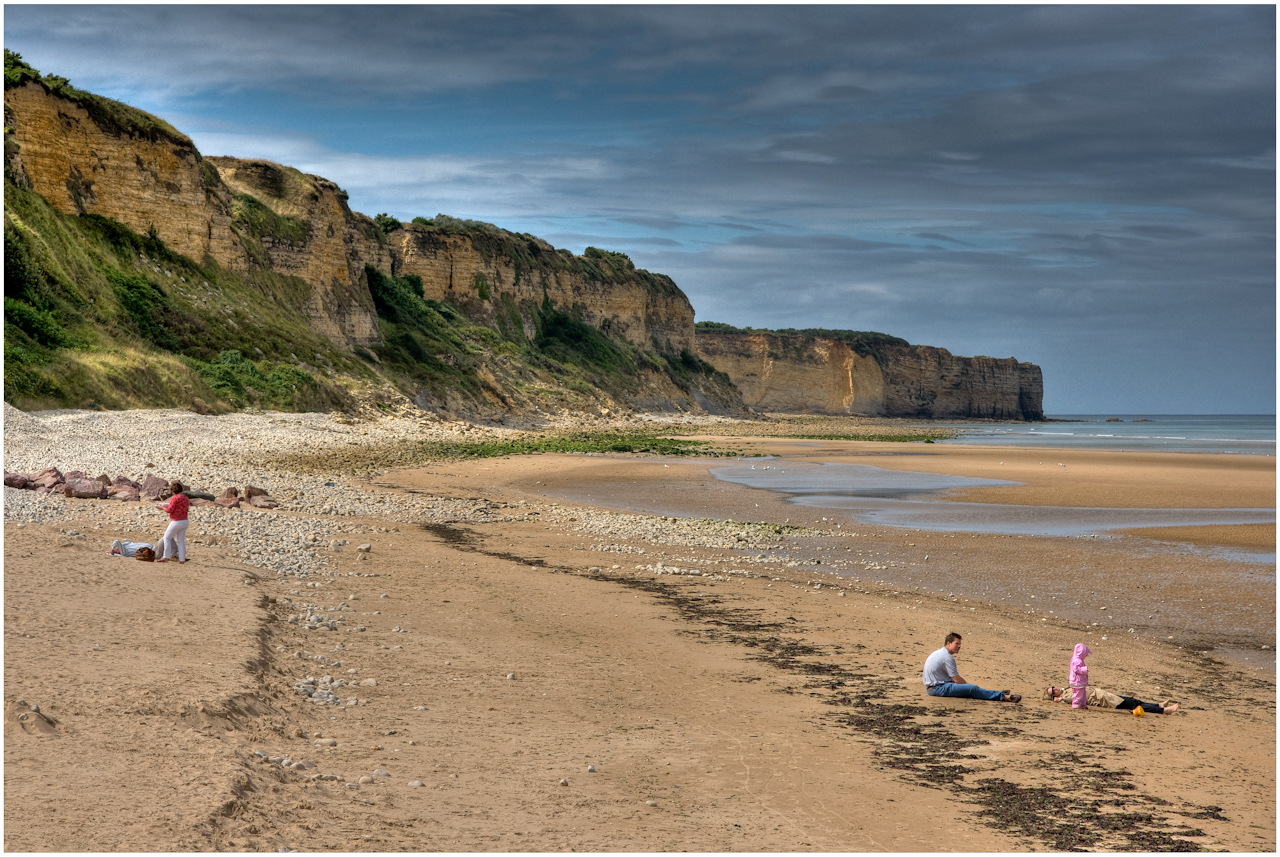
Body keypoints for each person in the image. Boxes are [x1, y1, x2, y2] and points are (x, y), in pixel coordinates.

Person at [922, 632, 1021, 702]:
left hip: (935, 686)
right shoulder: (947, 657)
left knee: (971, 690)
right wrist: (967, 687)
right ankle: (1004, 697)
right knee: (972, 688)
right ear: (948, 643)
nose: (959, 646)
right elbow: (956, 679)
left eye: (960, 644)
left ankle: (995, 694)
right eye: (956, 644)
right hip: (938, 688)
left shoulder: (940, 653)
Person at [1044, 685, 1179, 715]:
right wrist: (1061, 700)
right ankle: (1164, 710)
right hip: (1105, 700)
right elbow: (1073, 700)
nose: (1055, 688)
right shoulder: (1066, 697)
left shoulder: (1068, 688)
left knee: (1133, 701)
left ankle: (1158, 705)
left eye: (1053, 687)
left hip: (1106, 695)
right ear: (1054, 697)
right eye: (1053, 691)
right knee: (1133, 705)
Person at [155, 480, 189, 563]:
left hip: (176, 521)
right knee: (181, 540)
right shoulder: (186, 498)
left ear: (173, 491)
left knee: (167, 537)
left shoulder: (175, 498)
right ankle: (182, 559)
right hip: (185, 520)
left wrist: (162, 508)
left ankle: (166, 556)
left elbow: (169, 510)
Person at [1069, 643, 1091, 708]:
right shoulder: (1077, 660)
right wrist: (1084, 669)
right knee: (1078, 694)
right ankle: (1076, 704)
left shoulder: (1076, 659)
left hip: (1077, 680)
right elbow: (1076, 669)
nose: (1086, 655)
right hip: (1077, 681)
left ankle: (1082, 704)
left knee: (1082, 693)